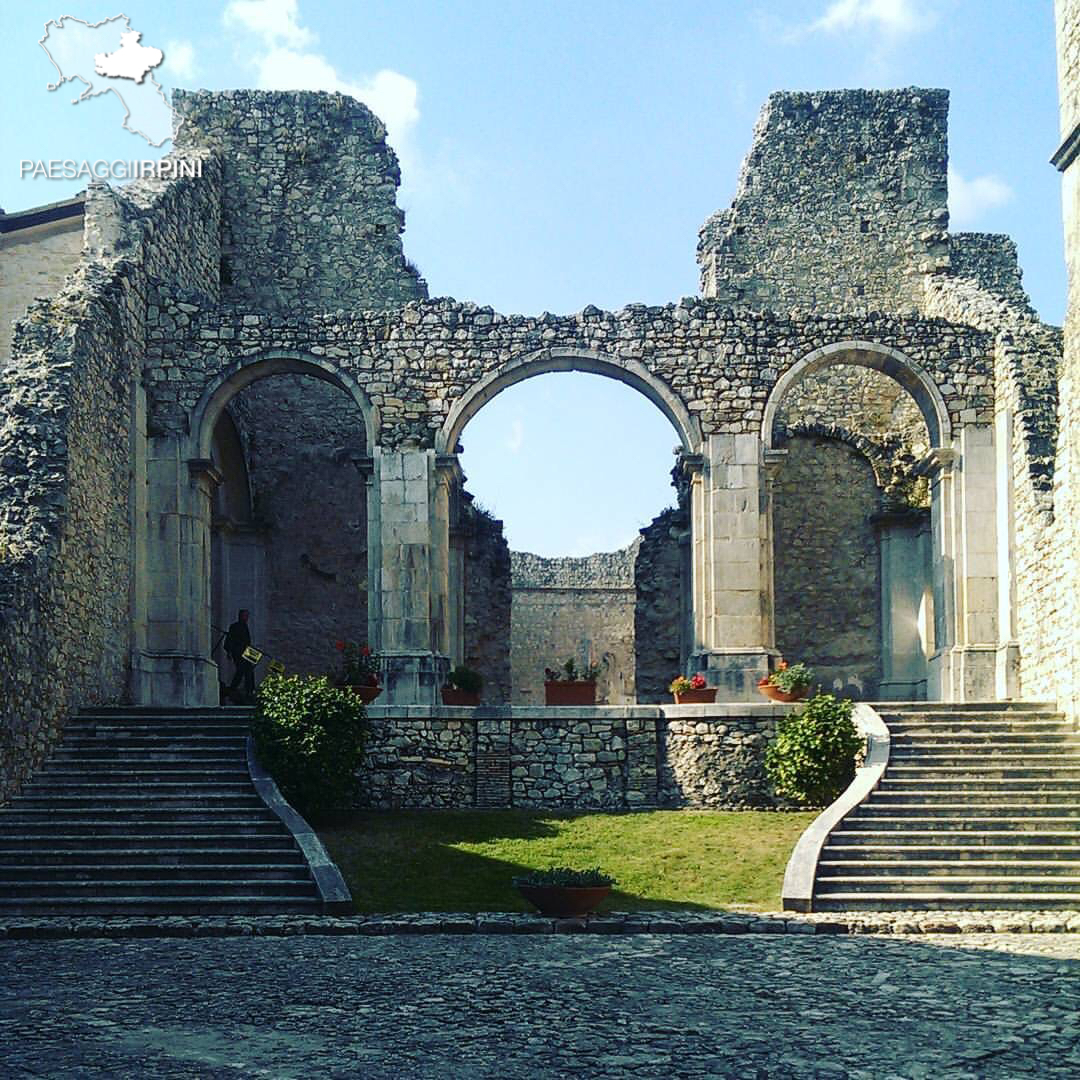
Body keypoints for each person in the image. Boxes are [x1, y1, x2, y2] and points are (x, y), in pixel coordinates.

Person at [224, 608, 255, 700]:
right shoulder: (234, 626)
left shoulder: (245, 627)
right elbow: (229, 640)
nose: (246, 618)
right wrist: (229, 652)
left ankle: (249, 690)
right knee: (241, 671)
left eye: (247, 616)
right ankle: (233, 689)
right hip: (238, 652)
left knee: (248, 671)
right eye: (245, 616)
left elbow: (247, 642)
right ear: (240, 616)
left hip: (246, 652)